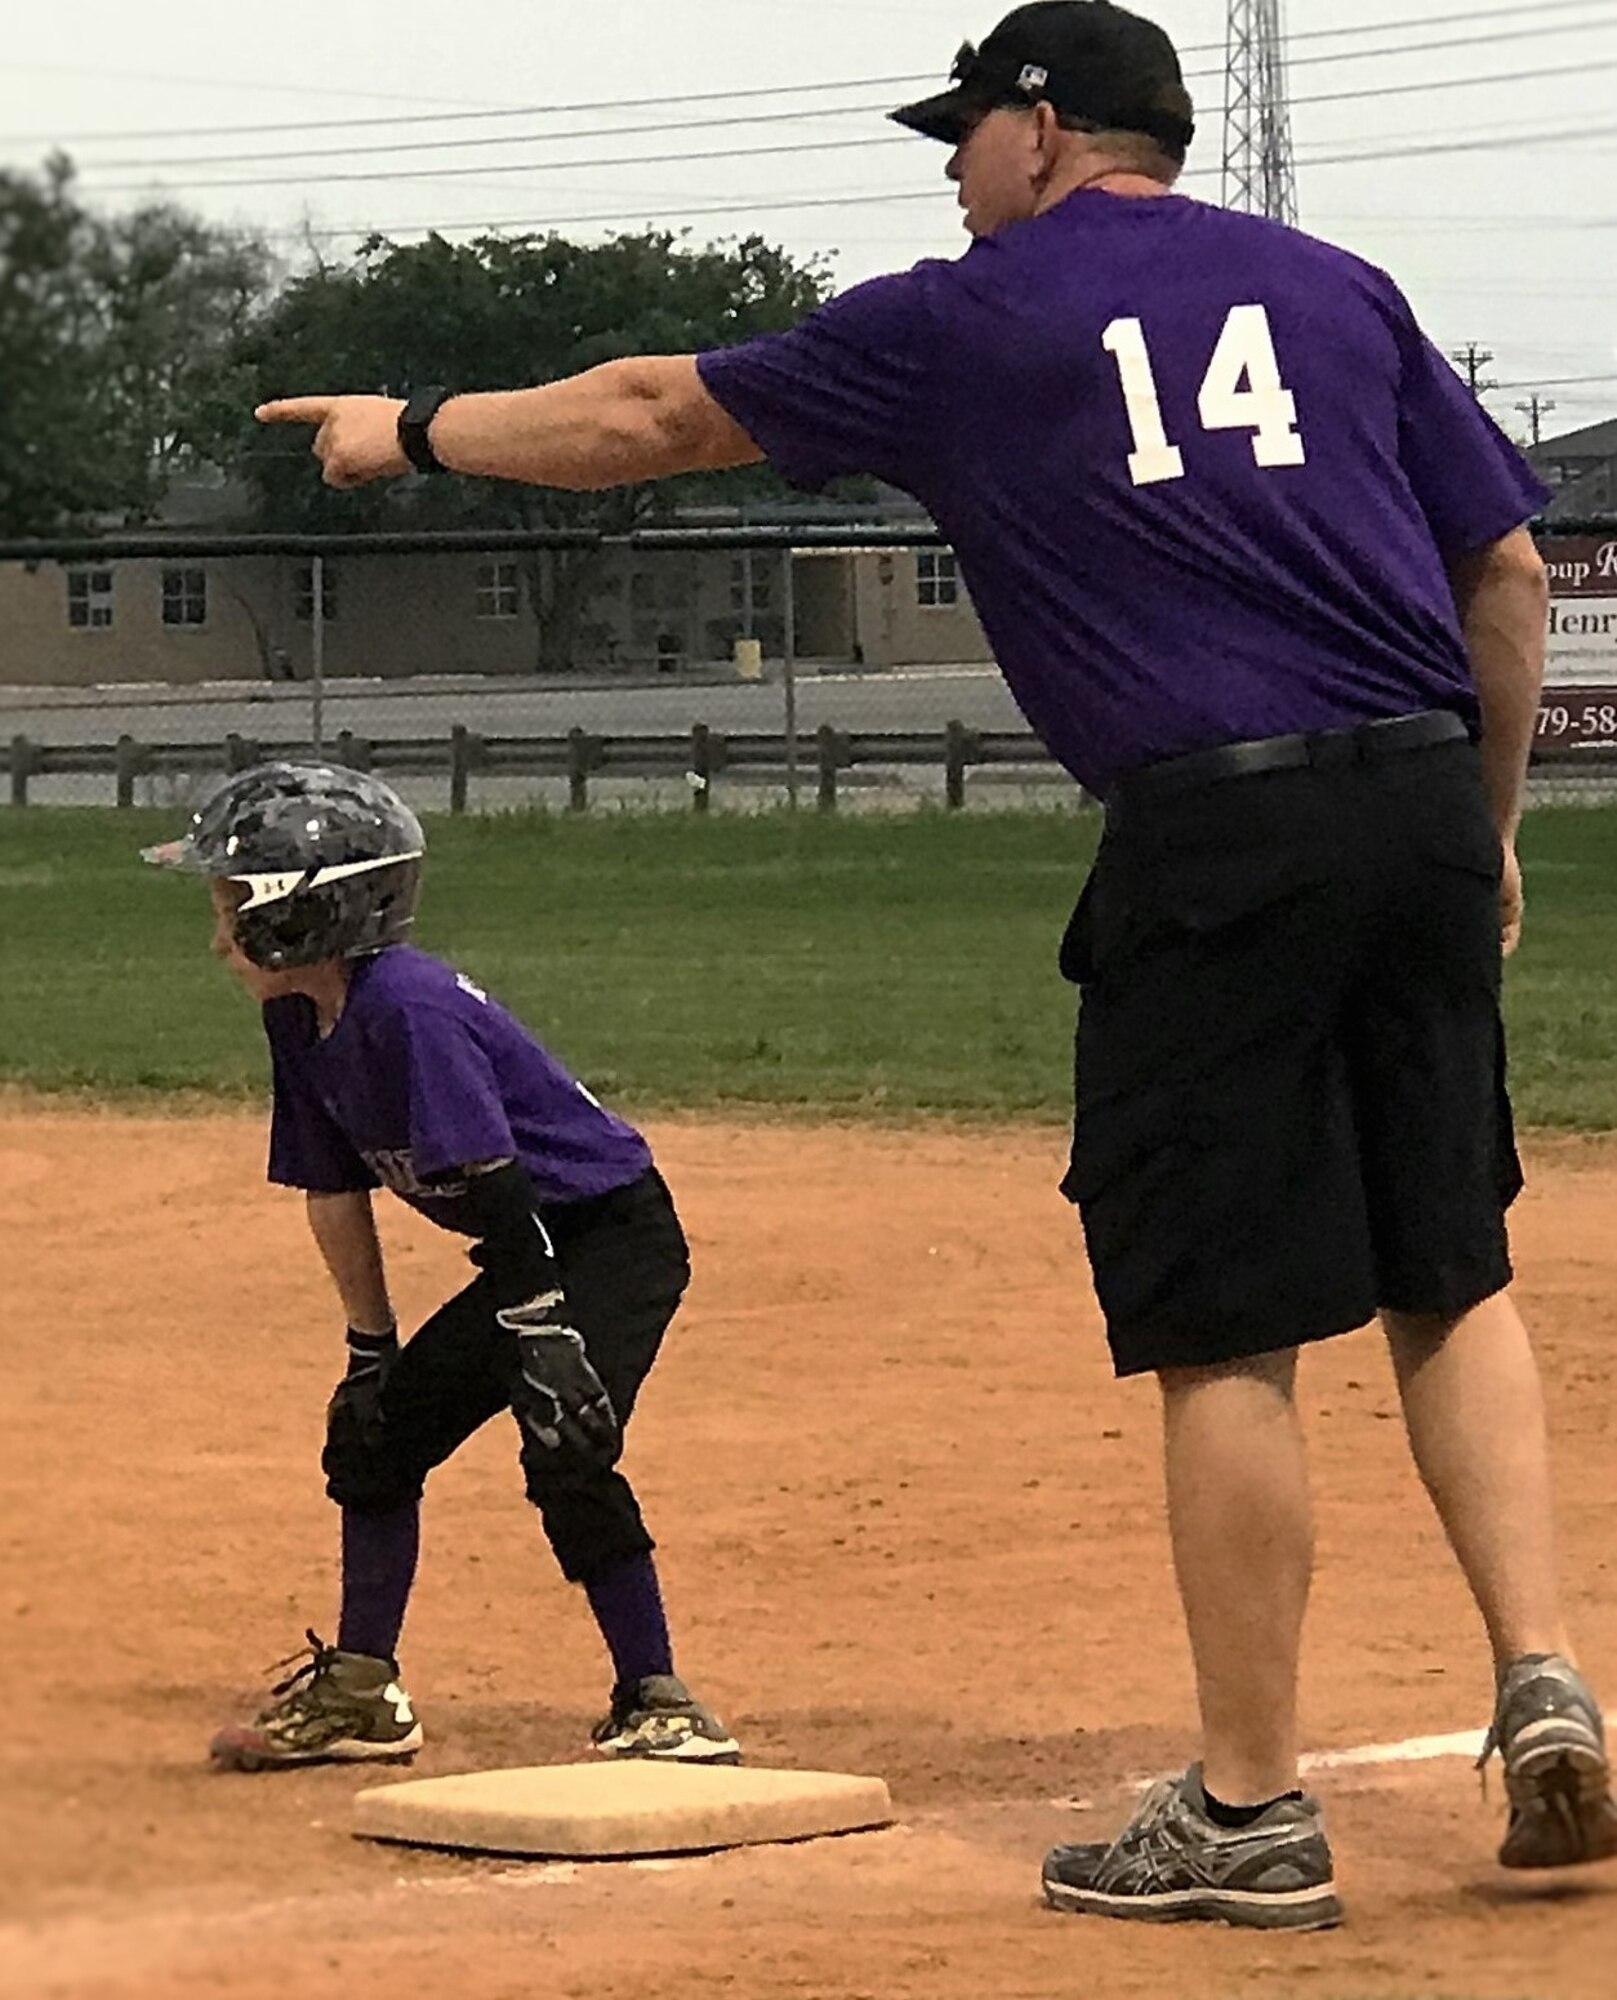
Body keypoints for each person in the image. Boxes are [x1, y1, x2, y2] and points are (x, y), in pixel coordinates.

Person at [255, 0, 1615, 1924]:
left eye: (965, 131)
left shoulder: (969, 317)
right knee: (1445, 1264)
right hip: (1407, 800)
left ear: (1045, 130)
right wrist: (1481, 832)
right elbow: (1500, 576)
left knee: (1226, 1327)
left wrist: (411, 429)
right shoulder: (1337, 288)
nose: (954, 171)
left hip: (1212, 835)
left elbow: (653, 414)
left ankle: (1244, 1812)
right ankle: (1543, 1678)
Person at [142, 760, 738, 1772]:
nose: (217, 935)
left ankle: (660, 1695)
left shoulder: (408, 1007)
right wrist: (370, 1345)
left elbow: (494, 1176)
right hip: (527, 1246)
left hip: (604, 1236)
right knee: (378, 1434)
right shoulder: (300, 1015)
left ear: (304, 913)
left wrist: (542, 1328)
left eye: (234, 905)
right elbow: (333, 1186)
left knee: (565, 1443)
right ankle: (365, 1689)